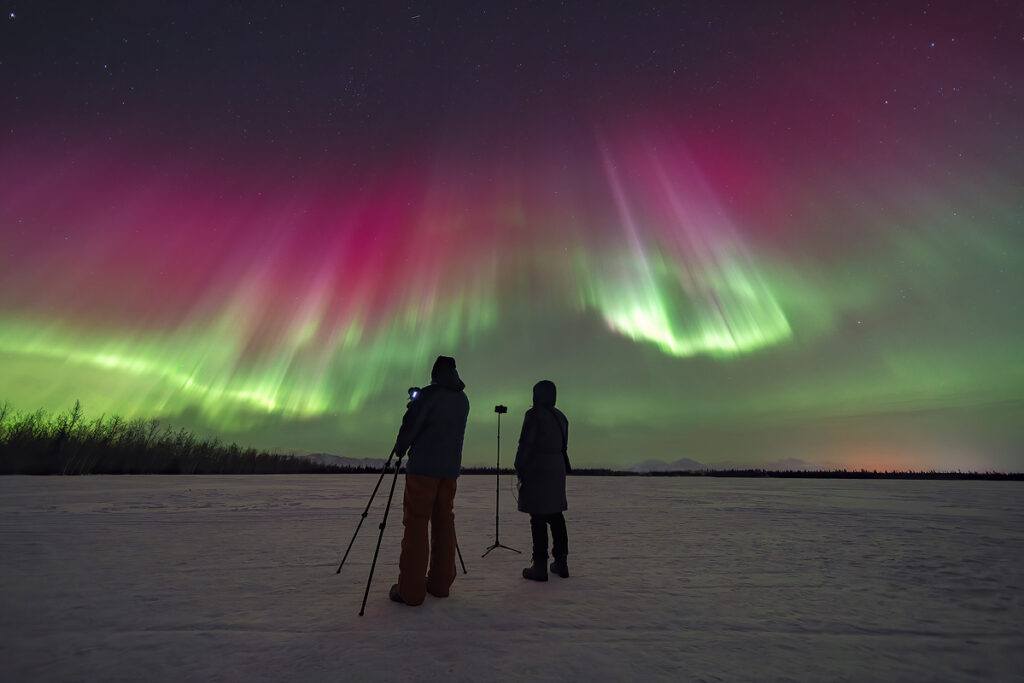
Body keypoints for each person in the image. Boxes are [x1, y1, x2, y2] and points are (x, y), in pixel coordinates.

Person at [389, 355, 470, 606]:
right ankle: (440, 584)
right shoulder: (462, 400)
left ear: (435, 373)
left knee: (416, 524)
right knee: (444, 522)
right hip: (449, 472)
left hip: (423, 470)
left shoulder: (429, 395)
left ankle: (411, 591)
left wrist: (400, 449)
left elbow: (411, 426)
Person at [514, 379, 571, 581]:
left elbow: (526, 442)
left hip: (538, 468)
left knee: (538, 517)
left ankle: (539, 565)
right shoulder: (561, 417)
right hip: (557, 470)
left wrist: (519, 465)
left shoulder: (534, 415)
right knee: (556, 516)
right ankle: (561, 562)